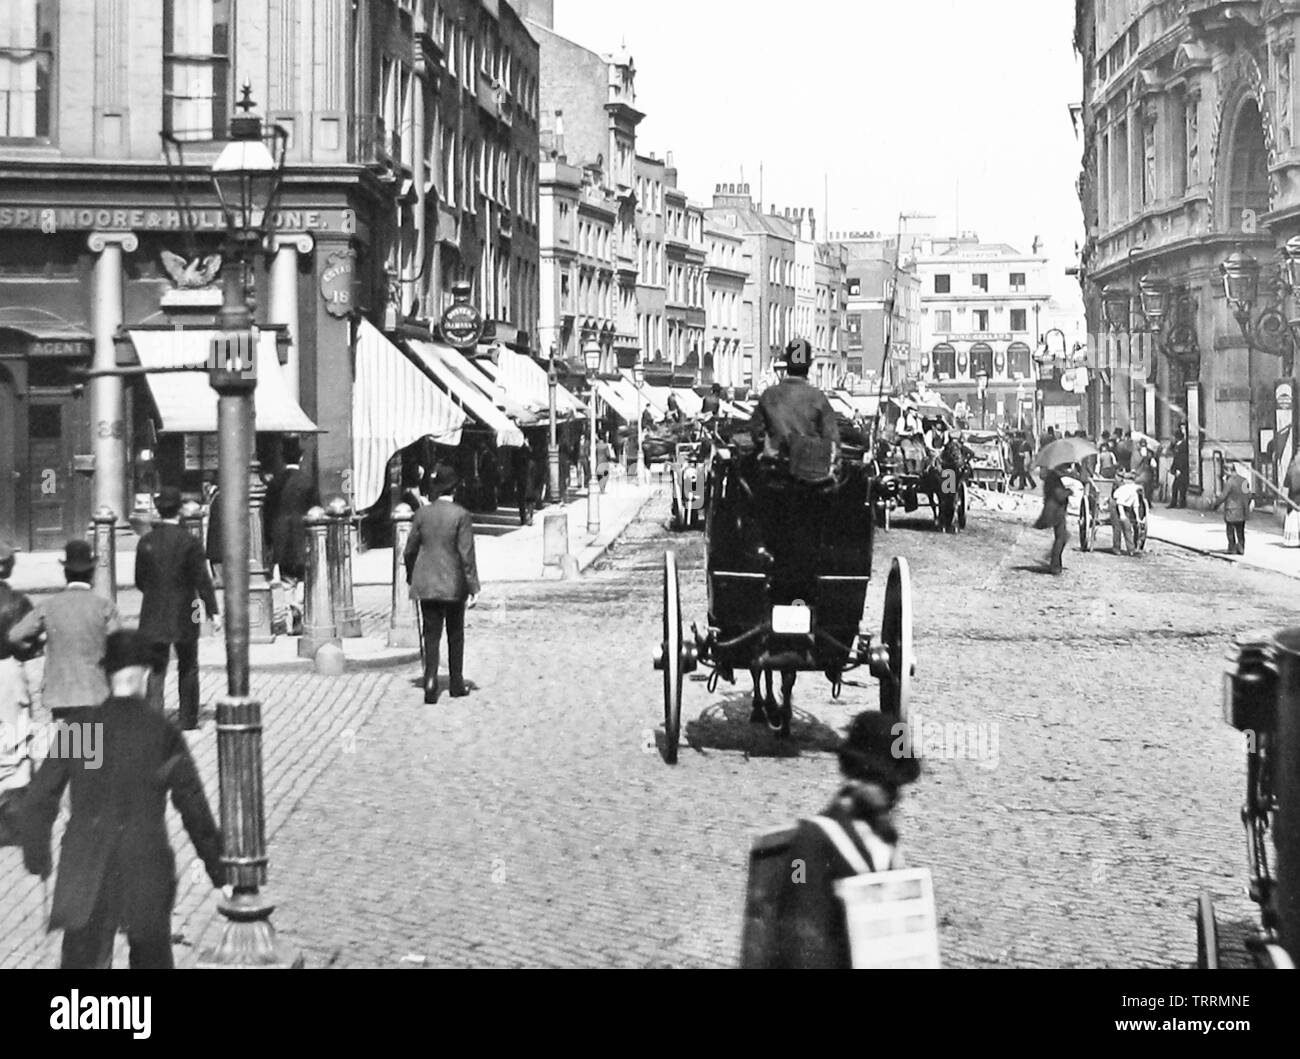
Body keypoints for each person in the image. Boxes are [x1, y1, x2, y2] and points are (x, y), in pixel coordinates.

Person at [20, 629, 224, 969]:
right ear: (145, 673)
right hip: (144, 866)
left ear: (107, 674)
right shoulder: (160, 732)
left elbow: (40, 798)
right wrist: (219, 871)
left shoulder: (82, 729)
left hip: (86, 867)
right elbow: (193, 807)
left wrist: (37, 855)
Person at [768, 711, 921, 968]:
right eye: (884, 783)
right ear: (857, 775)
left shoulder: (886, 841)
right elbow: (799, 934)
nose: (894, 796)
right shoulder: (811, 841)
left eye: (897, 786)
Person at [134, 487, 220, 730]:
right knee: (188, 664)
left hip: (153, 611)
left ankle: (153, 717)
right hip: (186, 609)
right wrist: (213, 611)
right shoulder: (189, 542)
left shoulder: (146, 542)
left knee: (156, 667)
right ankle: (188, 718)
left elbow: (139, 580)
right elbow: (202, 580)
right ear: (180, 510)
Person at [8, 540, 122, 723]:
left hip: (60, 690)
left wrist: (39, 645)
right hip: (94, 689)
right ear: (92, 574)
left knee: (69, 747)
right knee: (92, 747)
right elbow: (119, 646)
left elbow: (16, 636)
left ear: (65, 573)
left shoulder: (48, 606)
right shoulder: (104, 607)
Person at [405, 465, 480, 705]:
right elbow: (466, 555)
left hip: (427, 582)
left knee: (431, 633)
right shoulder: (461, 515)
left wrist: (411, 575)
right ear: (455, 489)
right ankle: (456, 682)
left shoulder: (422, 514)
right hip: (453, 584)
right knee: (455, 633)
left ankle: (429, 682)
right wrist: (473, 587)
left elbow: (409, 550)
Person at [750, 338, 840, 464]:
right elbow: (831, 439)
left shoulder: (769, 395)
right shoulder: (818, 398)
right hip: (809, 471)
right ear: (809, 365)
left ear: (786, 362)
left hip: (775, 469)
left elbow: (757, 432)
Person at [0, 542, 36, 845]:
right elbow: (31, 643)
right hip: (9, 672)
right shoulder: (19, 602)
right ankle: (13, 823)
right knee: (16, 742)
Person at [1034, 466, 1072, 574]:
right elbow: (1059, 495)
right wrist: (1068, 491)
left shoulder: (1051, 478)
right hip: (1055, 512)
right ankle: (1055, 565)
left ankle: (1054, 561)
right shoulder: (1053, 478)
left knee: (1062, 536)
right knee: (1061, 537)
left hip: (1055, 511)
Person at [1212, 462, 1252, 555]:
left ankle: (1232, 548)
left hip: (1231, 510)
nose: (1225, 473)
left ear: (1229, 470)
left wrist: (1215, 505)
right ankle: (1241, 548)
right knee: (1240, 530)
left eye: (1225, 471)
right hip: (1242, 510)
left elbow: (1223, 496)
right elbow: (1248, 495)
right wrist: (1246, 504)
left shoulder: (1229, 482)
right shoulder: (1244, 480)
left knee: (1230, 531)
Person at [1111, 475, 1143, 556]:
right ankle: (1116, 548)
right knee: (1117, 528)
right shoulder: (1127, 490)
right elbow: (1119, 503)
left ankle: (1131, 550)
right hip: (1115, 506)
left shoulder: (1135, 493)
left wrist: (1138, 518)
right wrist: (1122, 515)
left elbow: (1136, 506)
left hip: (1126, 507)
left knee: (1127, 528)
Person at [1169, 423, 1190, 508]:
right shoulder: (1177, 445)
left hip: (1181, 470)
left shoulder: (1183, 446)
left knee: (1181, 487)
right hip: (1178, 469)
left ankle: (1181, 503)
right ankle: (1174, 502)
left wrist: (1179, 470)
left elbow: (1182, 459)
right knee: (1175, 487)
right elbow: (1175, 458)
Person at [1284, 450, 1300, 547]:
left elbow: (1287, 486)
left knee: (1294, 521)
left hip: (1293, 500)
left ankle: (1293, 540)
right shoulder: (1294, 470)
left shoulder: (1291, 469)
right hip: (1295, 499)